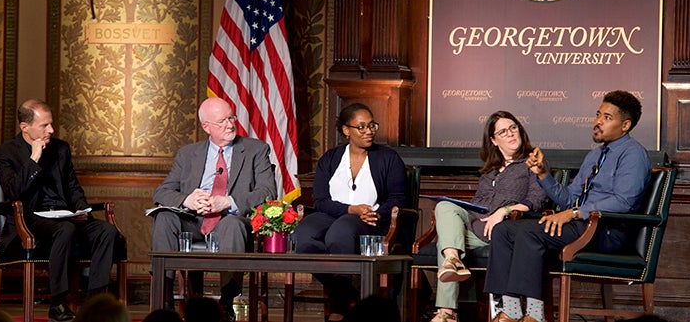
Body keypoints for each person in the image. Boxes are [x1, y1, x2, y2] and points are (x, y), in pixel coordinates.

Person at [485, 90, 652, 322]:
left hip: (606, 231)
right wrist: (543, 174)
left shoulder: (634, 155)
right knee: (503, 230)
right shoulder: (594, 156)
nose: (598, 122)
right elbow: (569, 198)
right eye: (597, 115)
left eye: (607, 117)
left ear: (625, 125)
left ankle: (534, 314)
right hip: (580, 225)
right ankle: (511, 309)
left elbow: (624, 201)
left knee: (530, 232)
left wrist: (573, 213)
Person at [150, 97, 276, 322]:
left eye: (231, 118)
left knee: (232, 224)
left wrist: (227, 201)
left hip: (230, 219)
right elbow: (162, 192)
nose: (230, 124)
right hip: (194, 221)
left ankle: (226, 302)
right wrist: (187, 199)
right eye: (222, 121)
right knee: (164, 217)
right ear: (206, 127)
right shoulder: (188, 153)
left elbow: (267, 192)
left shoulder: (256, 149)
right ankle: (164, 300)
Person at [0, 99, 119, 322]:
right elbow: (13, 192)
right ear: (25, 127)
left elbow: (72, 186)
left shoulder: (61, 148)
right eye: (44, 126)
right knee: (65, 229)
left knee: (106, 231)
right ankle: (58, 302)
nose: (51, 130)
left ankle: (95, 304)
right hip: (31, 219)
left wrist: (82, 210)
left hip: (65, 215)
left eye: (51, 124)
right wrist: (33, 159)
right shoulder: (7, 152)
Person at [430, 111, 549, 322]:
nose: (511, 133)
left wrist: (504, 211)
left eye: (513, 128)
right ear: (493, 140)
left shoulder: (532, 163)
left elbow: (537, 200)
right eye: (503, 131)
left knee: (446, 241)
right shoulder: (489, 172)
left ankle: (447, 313)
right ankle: (452, 260)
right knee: (445, 207)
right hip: (478, 227)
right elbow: (478, 205)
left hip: (508, 231)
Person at [294, 103, 407, 322]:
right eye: (361, 127)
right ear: (346, 130)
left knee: (341, 231)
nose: (369, 131)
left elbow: (397, 198)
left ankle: (339, 307)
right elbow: (320, 200)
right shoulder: (330, 158)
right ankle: (351, 288)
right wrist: (350, 209)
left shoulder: (388, 158)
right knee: (304, 234)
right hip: (333, 213)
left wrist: (375, 213)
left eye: (372, 125)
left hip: (372, 218)